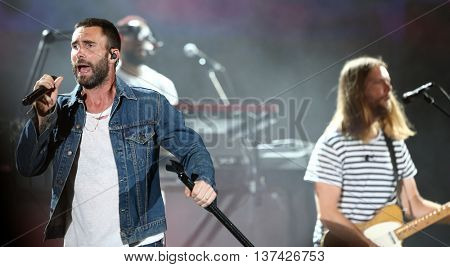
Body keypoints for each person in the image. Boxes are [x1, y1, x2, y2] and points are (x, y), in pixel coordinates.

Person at [16, 18, 216, 247]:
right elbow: (28, 166)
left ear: (113, 55)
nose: (79, 53)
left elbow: (192, 147)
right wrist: (42, 117)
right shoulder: (58, 110)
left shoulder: (149, 104)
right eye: (74, 46)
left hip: (139, 245)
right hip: (79, 246)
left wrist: (203, 180)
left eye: (89, 45)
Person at [304, 56, 449, 246]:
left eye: (389, 83)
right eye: (379, 83)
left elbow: (414, 205)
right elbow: (328, 214)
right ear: (357, 90)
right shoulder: (332, 144)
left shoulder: (394, 144)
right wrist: (369, 247)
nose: (388, 90)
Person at [116, 15, 178, 105]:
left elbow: (172, 117)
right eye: (133, 35)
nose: (140, 41)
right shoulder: (104, 81)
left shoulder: (163, 84)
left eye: (144, 37)